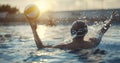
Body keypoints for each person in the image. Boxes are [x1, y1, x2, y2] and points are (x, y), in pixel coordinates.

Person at [25, 11, 117, 51]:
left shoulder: (65, 46)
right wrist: (111, 20)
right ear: (86, 31)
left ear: (72, 32)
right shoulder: (92, 42)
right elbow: (102, 31)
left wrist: (34, 30)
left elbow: (41, 47)